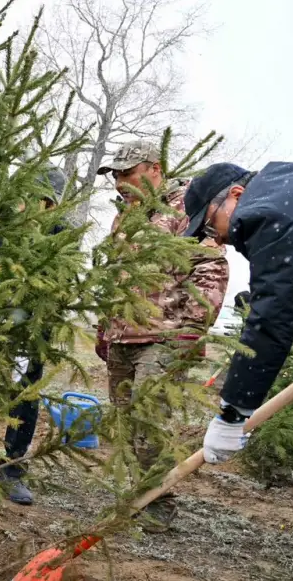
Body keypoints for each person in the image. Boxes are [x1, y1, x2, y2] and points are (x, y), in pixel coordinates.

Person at [178, 161, 293, 581]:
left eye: (213, 227)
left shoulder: (271, 210)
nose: (223, 241)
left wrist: (232, 412)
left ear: (235, 194)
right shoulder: (290, 194)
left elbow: (274, 318)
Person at [95, 140, 229, 530]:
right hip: (123, 336)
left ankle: (159, 504)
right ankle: (139, 495)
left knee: (149, 422)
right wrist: (105, 327)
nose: (121, 182)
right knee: (124, 422)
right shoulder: (124, 219)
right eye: (117, 175)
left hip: (166, 335)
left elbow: (210, 267)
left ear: (155, 168)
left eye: (128, 173)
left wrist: (192, 328)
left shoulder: (187, 208)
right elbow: (115, 279)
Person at [0, 165, 68, 506]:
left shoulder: (59, 234)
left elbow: (61, 287)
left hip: (31, 329)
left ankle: (12, 468)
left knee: (25, 394)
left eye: (38, 199)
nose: (27, 206)